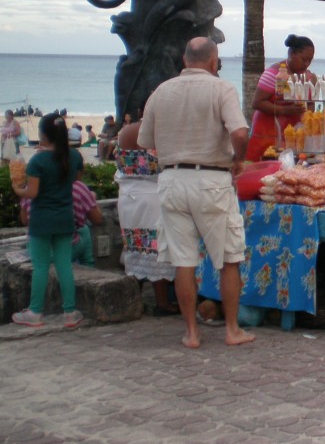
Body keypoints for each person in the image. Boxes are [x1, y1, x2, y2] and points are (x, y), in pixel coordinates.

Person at [137, 37, 254, 348]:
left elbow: (145, 139)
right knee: (229, 257)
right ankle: (232, 330)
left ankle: (191, 332)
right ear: (214, 60)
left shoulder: (162, 91)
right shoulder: (221, 88)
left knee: (183, 261)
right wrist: (239, 159)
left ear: (184, 59)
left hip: (172, 179)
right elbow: (240, 132)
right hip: (211, 180)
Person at [9, 113, 86, 328]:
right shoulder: (74, 157)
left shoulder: (38, 160)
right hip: (64, 218)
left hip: (42, 220)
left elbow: (31, 192)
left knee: (40, 266)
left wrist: (17, 188)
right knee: (64, 265)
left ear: (43, 135)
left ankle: (35, 312)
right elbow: (76, 179)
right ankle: (70, 312)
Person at [115, 119, 178, 316]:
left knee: (135, 245)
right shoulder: (155, 132)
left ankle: (135, 300)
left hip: (128, 195)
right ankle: (162, 302)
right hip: (152, 194)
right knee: (156, 248)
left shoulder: (125, 132)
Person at [245, 34, 316, 160]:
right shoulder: (273, 73)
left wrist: (308, 117)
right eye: (303, 59)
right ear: (291, 54)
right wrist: (285, 110)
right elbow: (257, 102)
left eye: (310, 60)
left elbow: (310, 103)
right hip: (267, 137)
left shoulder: (308, 76)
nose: (306, 64)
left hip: (292, 139)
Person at [20, 178, 102, 267]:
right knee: (84, 230)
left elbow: (25, 220)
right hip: (61, 253)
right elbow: (98, 219)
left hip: (35, 250)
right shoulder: (77, 186)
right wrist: (92, 198)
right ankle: (88, 266)